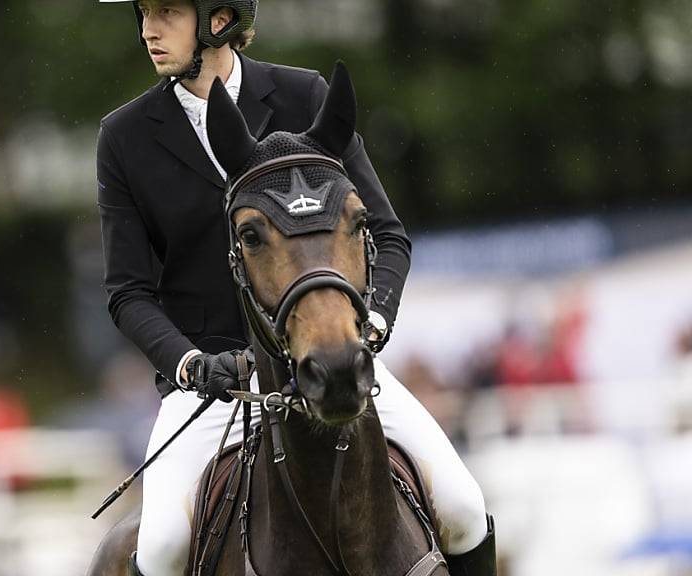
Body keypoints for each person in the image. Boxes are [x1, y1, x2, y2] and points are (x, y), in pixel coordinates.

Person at [95, 1, 496, 574]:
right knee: (159, 548)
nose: (147, 30)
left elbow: (386, 233)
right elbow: (128, 291)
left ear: (217, 18)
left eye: (165, 12)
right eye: (143, 14)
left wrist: (369, 324)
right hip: (214, 384)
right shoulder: (125, 137)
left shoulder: (303, 97)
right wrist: (188, 364)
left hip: (330, 354)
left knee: (463, 505)